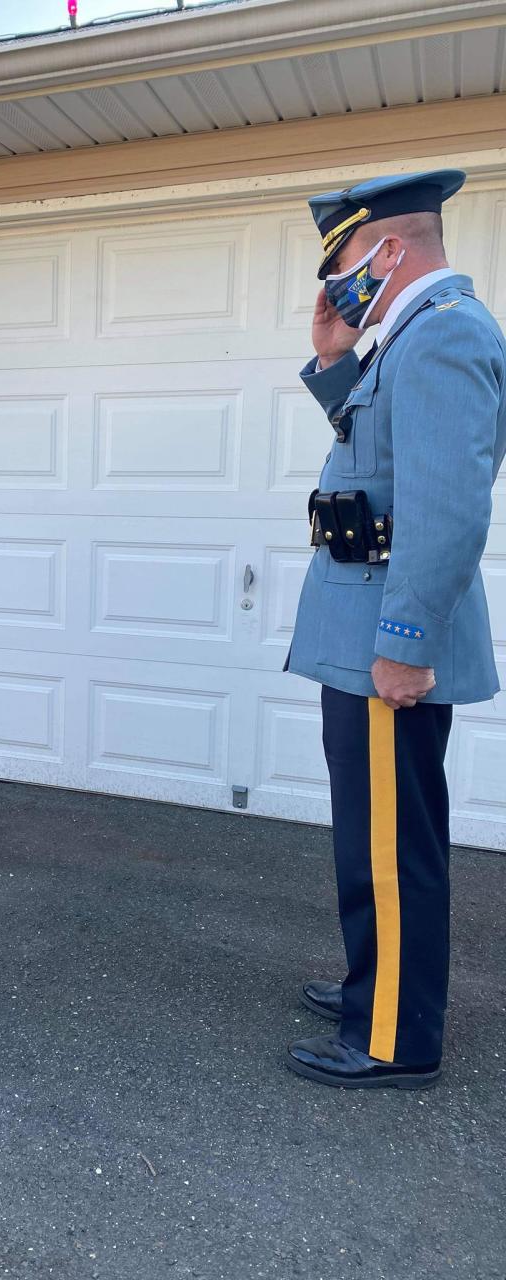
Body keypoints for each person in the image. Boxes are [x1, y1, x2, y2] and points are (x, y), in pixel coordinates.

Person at [283, 169, 506, 1089]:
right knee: (367, 831)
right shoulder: (403, 333)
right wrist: (335, 355)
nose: (335, 283)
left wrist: (406, 645)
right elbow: (370, 446)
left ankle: (396, 1039)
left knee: (391, 842)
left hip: (388, 641)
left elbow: (447, 510)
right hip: (364, 631)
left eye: (340, 263)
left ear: (384, 249)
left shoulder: (445, 332)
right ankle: (375, 984)